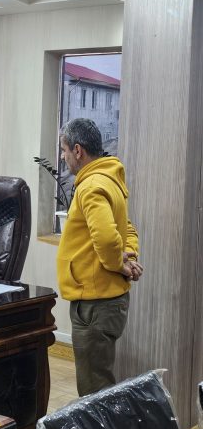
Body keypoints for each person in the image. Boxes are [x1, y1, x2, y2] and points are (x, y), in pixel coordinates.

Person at [56, 118, 143, 397]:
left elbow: (106, 238)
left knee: (94, 392)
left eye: (64, 150)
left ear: (77, 150)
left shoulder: (91, 186)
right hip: (105, 299)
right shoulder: (109, 179)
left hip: (95, 303)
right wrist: (128, 258)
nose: (63, 156)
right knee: (100, 383)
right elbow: (127, 228)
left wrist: (119, 263)